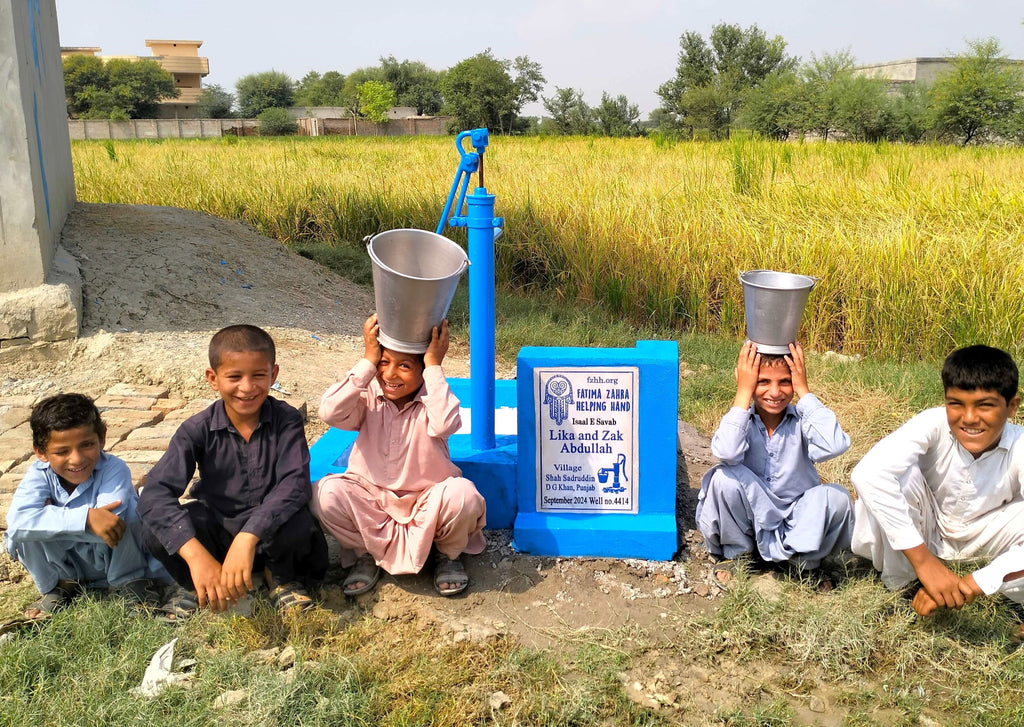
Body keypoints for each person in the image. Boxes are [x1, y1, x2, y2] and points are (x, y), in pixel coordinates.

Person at [138, 325, 328, 620]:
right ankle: (197, 582)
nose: (247, 387)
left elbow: (294, 484)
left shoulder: (286, 420)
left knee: (298, 520)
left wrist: (249, 535)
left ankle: (280, 579)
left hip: (274, 534)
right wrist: (195, 555)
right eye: (235, 376)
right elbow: (154, 495)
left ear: (273, 375)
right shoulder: (196, 429)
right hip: (221, 533)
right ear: (213, 379)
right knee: (154, 529)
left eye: (258, 375)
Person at [312, 313, 486, 597]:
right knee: (324, 494)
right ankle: (366, 553)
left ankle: (447, 555)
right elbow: (329, 412)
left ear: (422, 371)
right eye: (384, 363)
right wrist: (368, 362)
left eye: (405, 366)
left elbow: (445, 423)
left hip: (425, 503)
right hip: (372, 501)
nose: (391, 375)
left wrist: (434, 366)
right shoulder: (369, 397)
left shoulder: (433, 398)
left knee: (463, 496)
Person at [851, 345, 1024, 630]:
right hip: (928, 527)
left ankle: (1008, 598)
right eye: (956, 403)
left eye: (985, 405)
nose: (969, 418)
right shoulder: (933, 422)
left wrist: (972, 584)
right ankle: (903, 586)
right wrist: (924, 563)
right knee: (897, 478)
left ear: (1012, 407)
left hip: (987, 538)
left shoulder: (1018, 445)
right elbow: (868, 473)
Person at [696, 341, 853, 583]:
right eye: (763, 382)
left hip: (795, 522)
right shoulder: (740, 421)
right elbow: (727, 452)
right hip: (748, 519)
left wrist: (804, 390)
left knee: (838, 498)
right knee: (722, 478)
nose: (775, 392)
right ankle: (740, 555)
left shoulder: (802, 421)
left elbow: (835, 445)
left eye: (785, 382)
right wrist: (743, 392)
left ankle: (800, 563)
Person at [5, 394, 169, 620]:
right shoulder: (38, 475)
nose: (76, 459)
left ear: (101, 439)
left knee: (130, 512)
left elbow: (112, 522)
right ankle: (61, 585)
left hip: (112, 558)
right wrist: (87, 518)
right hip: (67, 563)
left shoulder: (114, 469)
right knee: (20, 535)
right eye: (62, 451)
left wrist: (47, 519)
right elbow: (17, 524)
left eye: (87, 445)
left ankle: (133, 584)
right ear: (41, 452)